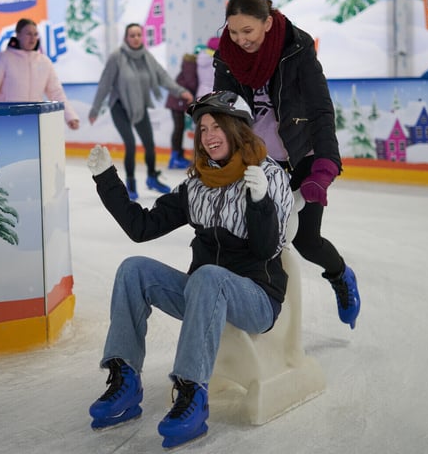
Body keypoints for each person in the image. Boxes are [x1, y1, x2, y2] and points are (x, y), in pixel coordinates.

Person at [85, 91, 294, 449]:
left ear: (238, 129)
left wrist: (259, 204)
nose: (208, 136)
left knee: (208, 277)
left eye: (217, 127)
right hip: (203, 293)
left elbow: (266, 250)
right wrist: (107, 179)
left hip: (256, 298)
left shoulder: (268, 176)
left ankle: (191, 394)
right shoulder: (197, 183)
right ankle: (125, 381)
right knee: (133, 270)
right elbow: (141, 229)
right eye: (202, 128)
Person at [213, 0, 361, 328]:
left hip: (301, 153)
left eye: (247, 31)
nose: (239, 40)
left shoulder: (297, 47)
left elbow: (321, 108)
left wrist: (324, 165)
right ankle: (264, 317)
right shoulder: (226, 56)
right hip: (262, 161)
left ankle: (340, 275)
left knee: (306, 240)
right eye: (233, 32)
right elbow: (224, 113)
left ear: (267, 22)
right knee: (256, 241)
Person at [88, 23, 194, 201]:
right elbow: (105, 84)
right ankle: (130, 183)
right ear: (126, 38)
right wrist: (95, 109)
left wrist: (180, 91)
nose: (136, 38)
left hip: (139, 106)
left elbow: (163, 77)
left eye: (139, 35)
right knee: (130, 144)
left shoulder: (147, 57)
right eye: (132, 35)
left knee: (149, 144)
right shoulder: (116, 57)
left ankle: (152, 177)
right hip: (119, 106)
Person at [0, 18, 80, 130]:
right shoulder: (3, 59)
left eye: (35, 34)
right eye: (28, 34)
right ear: (18, 35)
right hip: (6, 122)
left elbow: (56, 92)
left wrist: (70, 117)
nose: (33, 38)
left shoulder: (44, 62)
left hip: (33, 123)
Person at [164, 53, 198, 169]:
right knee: (179, 127)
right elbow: (191, 82)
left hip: (176, 99)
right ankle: (175, 157)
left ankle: (177, 156)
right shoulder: (190, 65)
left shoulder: (187, 65)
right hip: (178, 100)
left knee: (179, 127)